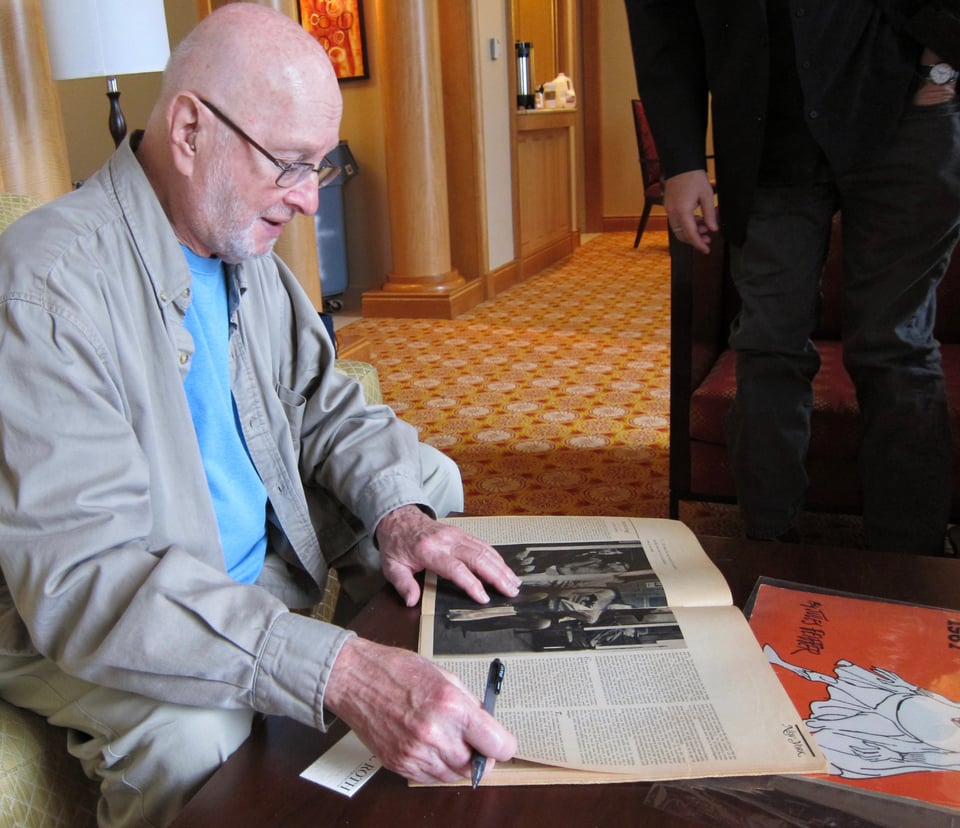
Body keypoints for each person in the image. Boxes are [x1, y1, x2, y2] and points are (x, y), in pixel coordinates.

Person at [0, 5, 521, 825]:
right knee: (196, 741)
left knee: (423, 499)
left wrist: (402, 519)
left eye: (321, 166)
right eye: (290, 164)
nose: (310, 200)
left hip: (253, 571)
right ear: (188, 131)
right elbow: (86, 583)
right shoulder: (49, 285)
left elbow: (330, 406)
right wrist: (340, 670)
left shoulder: (245, 256)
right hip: (111, 611)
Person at [624, 1, 960, 555]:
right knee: (766, 343)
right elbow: (665, 32)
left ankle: (910, 559)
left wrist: (943, 69)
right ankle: (769, 541)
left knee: (894, 345)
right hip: (765, 140)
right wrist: (682, 163)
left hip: (906, 118)